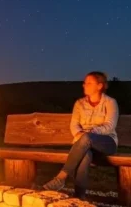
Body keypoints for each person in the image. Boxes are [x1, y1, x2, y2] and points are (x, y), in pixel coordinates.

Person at [41, 71, 119, 199]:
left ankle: (61, 177)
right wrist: (79, 135)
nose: (84, 85)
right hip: (83, 143)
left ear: (99, 86)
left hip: (106, 142)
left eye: (89, 83)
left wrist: (90, 133)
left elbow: (110, 125)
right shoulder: (79, 104)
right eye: (84, 82)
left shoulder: (110, 102)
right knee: (85, 155)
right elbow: (74, 125)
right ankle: (79, 197)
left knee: (87, 138)